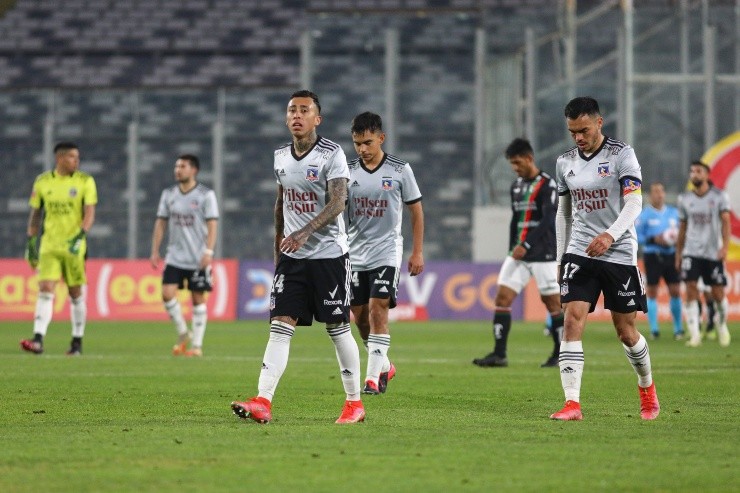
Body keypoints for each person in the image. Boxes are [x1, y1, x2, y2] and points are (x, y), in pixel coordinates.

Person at [231, 90, 365, 424]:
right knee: (280, 325)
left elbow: (338, 202)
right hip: (292, 257)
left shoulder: (332, 154)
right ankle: (263, 401)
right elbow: (281, 202)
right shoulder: (280, 156)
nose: (297, 115)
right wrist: (278, 245)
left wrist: (304, 231)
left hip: (330, 255)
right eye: (292, 110)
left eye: (304, 110)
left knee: (337, 328)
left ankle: (354, 404)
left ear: (317, 119)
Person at [551, 97, 659, 421]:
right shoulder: (564, 162)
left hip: (619, 252)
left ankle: (646, 387)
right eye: (572, 132)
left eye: (583, 130)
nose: (578, 138)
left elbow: (634, 203)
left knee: (626, 331)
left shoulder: (622, 155)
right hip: (580, 250)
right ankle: (572, 403)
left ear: (599, 123)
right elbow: (563, 214)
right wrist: (560, 259)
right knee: (572, 319)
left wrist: (610, 235)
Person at [346, 111, 424, 394]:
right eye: (357, 144)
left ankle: (371, 379)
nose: (362, 149)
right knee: (360, 317)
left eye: (367, 142)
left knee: (378, 307)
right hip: (355, 253)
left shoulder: (400, 170)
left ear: (381, 138)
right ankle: (385, 365)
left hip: (387, 250)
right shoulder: (347, 172)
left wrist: (417, 252)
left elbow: (416, 211)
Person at [473, 137, 563, 369]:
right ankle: (499, 354)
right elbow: (515, 219)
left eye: (517, 162)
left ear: (529, 158)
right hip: (518, 254)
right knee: (502, 298)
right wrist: (512, 247)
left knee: (552, 302)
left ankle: (560, 353)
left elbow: (548, 220)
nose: (514, 168)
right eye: (512, 163)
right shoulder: (516, 186)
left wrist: (527, 245)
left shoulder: (547, 185)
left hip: (543, 253)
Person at [21, 142, 98, 356]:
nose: (77, 161)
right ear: (60, 159)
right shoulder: (43, 181)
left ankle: (77, 342)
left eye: (77, 157)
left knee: (75, 293)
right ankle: (38, 339)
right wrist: (30, 242)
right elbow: (36, 214)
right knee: (45, 289)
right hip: (49, 245)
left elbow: (89, 212)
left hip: (74, 247)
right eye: (72, 157)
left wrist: (81, 236)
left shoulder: (85, 181)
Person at [150, 154, 219, 357]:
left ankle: (196, 346)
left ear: (194, 170)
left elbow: (212, 224)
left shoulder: (206, 195)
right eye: (176, 166)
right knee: (167, 294)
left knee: (197, 298)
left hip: (198, 257)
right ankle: (183, 332)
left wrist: (209, 251)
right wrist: (155, 250)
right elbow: (161, 222)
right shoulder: (168, 194)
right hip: (175, 256)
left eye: (182, 166)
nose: (178, 170)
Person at [675, 160, 731, 348]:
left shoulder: (719, 196)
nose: (694, 174)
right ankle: (695, 335)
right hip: (691, 252)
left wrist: (724, 247)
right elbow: (682, 228)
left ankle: (721, 324)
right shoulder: (684, 199)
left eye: (698, 171)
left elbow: (726, 222)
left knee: (718, 293)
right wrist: (679, 254)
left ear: (707, 175)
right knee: (691, 288)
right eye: (692, 171)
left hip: (712, 252)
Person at [635, 182, 683, 340]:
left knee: (675, 290)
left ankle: (678, 329)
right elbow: (637, 236)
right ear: (650, 195)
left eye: (661, 191)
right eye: (655, 191)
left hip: (671, 255)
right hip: (653, 256)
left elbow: (682, 232)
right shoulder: (644, 215)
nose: (659, 194)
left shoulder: (673, 213)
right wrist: (654, 239)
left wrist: (675, 240)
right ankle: (654, 329)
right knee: (652, 291)